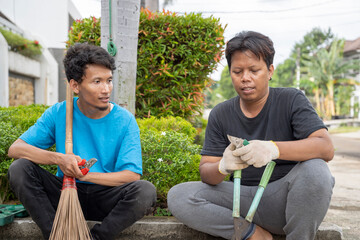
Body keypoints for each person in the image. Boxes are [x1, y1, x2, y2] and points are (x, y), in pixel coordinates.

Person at [167, 31, 335, 240]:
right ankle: (252, 234)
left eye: (254, 70)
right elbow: (206, 172)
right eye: (237, 71)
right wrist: (222, 167)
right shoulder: (220, 114)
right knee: (179, 196)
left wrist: (274, 149)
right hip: (241, 199)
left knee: (316, 169)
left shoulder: (291, 100)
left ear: (270, 70)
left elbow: (325, 147)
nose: (245, 78)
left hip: (284, 201)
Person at [7, 43, 157, 240]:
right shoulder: (58, 113)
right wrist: (59, 159)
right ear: (75, 85)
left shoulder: (125, 120)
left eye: (109, 80)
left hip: (105, 197)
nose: (106, 89)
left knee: (145, 191)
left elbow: (131, 176)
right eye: (97, 82)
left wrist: (84, 176)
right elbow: (15, 149)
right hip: (65, 193)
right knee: (19, 169)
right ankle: (56, 235)